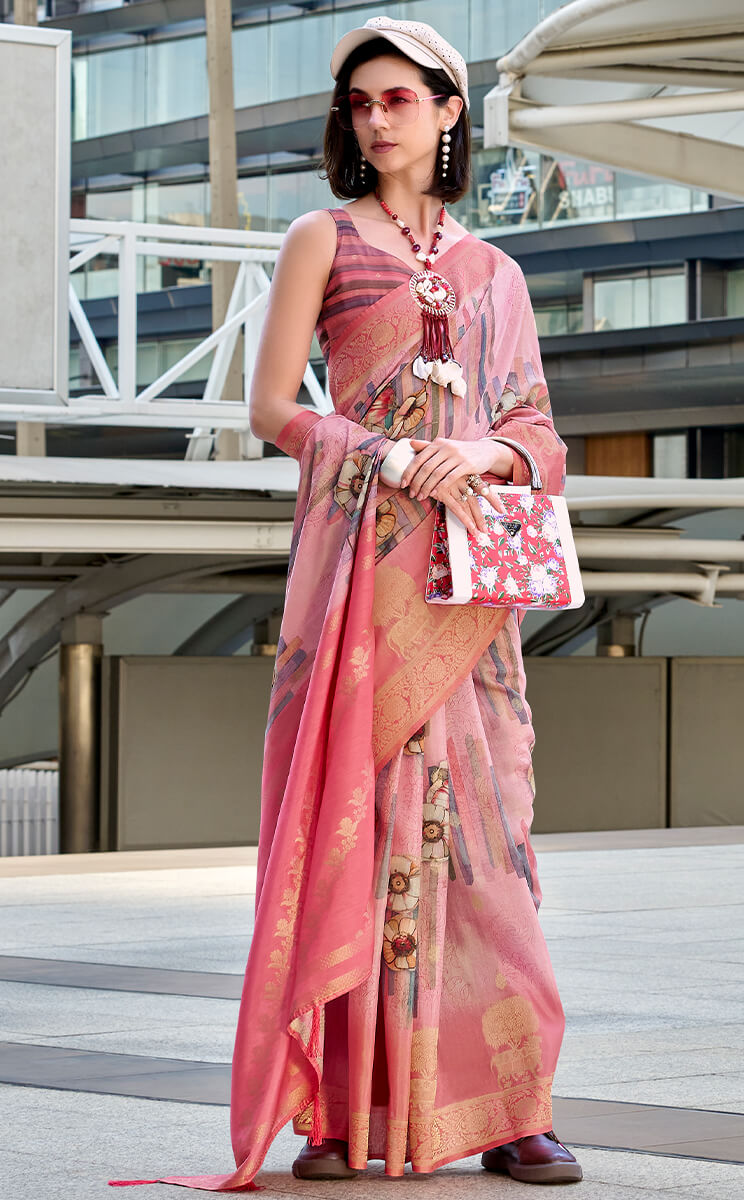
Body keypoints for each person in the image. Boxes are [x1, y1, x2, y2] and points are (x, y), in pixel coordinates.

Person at [108, 15, 582, 1192]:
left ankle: (513, 1111)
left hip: (467, 586)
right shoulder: (319, 238)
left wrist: (475, 459)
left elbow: (536, 432)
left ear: (447, 111)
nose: (376, 119)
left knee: (485, 840)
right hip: (359, 569)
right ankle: (339, 1117)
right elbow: (274, 406)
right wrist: (377, 452)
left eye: (399, 100)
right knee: (354, 834)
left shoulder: (497, 275)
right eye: (360, 103)